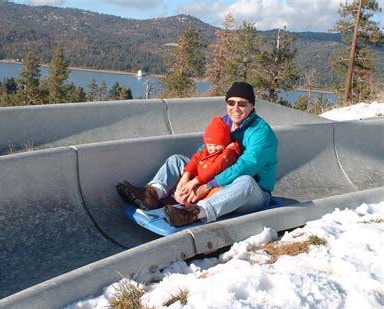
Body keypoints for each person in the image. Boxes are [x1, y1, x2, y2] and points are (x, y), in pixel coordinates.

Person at [117, 81, 278, 227]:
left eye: (242, 104)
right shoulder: (224, 123)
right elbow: (204, 152)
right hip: (215, 180)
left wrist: (205, 186)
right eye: (231, 102)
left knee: (246, 181)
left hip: (250, 193)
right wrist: (187, 177)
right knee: (177, 161)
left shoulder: (261, 132)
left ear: (251, 106)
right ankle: (152, 194)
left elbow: (245, 167)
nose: (235, 108)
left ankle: (194, 212)